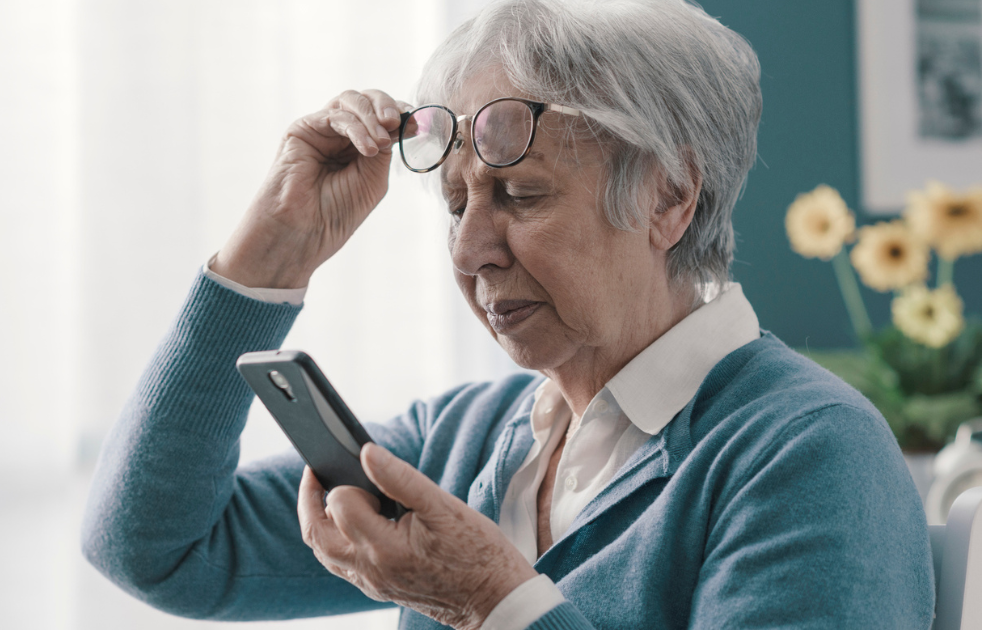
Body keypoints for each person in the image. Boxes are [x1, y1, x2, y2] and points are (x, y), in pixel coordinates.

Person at [81, 0, 935, 628]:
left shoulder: (808, 454)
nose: (468, 252)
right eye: (455, 205)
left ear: (670, 198)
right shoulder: (465, 439)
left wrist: (494, 602)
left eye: (521, 195)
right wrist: (270, 255)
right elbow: (154, 550)